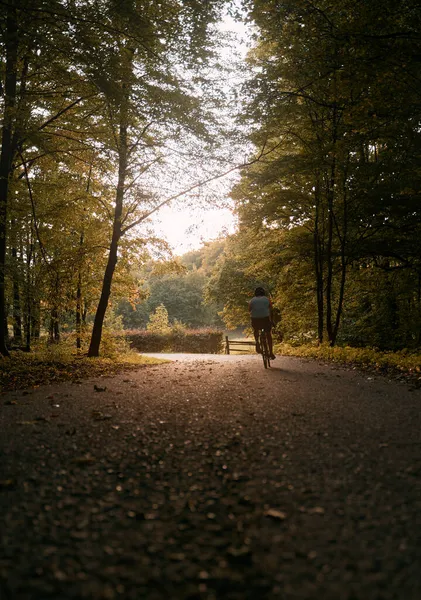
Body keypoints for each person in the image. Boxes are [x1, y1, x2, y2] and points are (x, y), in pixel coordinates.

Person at [249, 287, 276, 360]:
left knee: (256, 329)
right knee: (268, 334)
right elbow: (271, 310)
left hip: (255, 320)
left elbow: (249, 310)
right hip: (265, 319)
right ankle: (271, 352)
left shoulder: (251, 300)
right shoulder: (267, 299)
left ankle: (257, 342)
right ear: (263, 293)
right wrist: (272, 320)